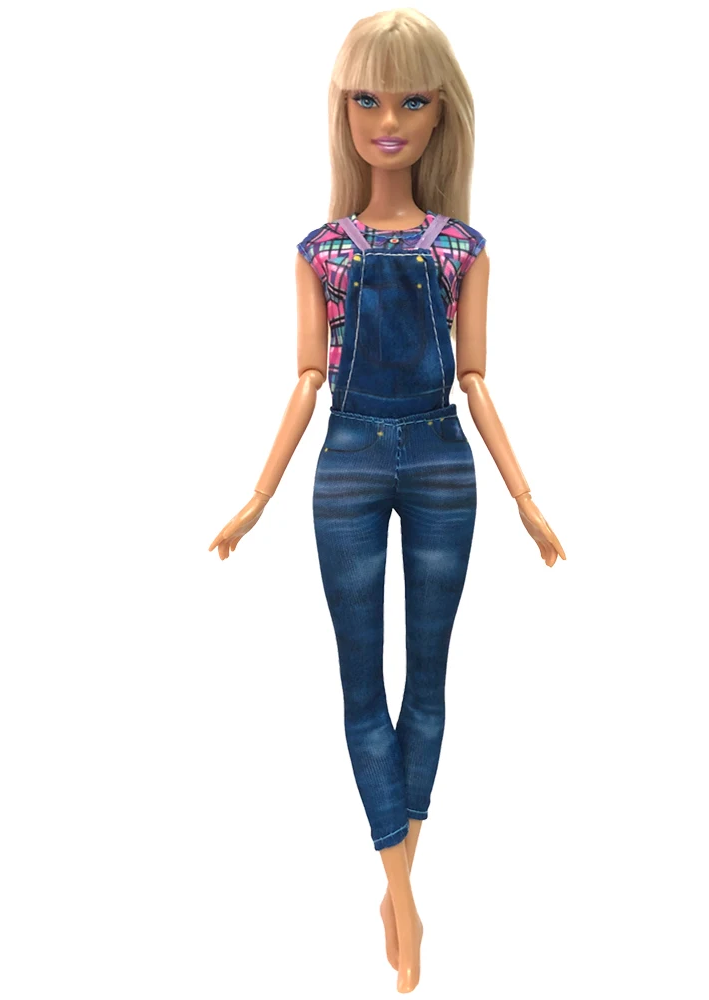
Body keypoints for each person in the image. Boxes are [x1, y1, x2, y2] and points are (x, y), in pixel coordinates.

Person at [209, 8, 566, 993]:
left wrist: (526, 497)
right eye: (367, 99)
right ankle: (402, 892)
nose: (389, 121)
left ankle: (397, 883)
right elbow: (306, 378)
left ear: (440, 112)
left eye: (410, 100)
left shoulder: (463, 248)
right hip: (349, 461)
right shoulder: (321, 250)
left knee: (429, 682)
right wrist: (257, 496)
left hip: (444, 459)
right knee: (361, 685)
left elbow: (477, 379)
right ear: (343, 110)